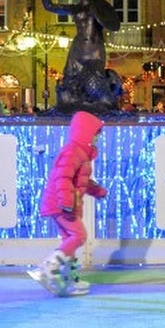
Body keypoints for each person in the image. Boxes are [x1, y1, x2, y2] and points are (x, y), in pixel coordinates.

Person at [31, 111, 108, 296]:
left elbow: (80, 180)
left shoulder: (82, 153)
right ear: (87, 132)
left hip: (66, 202)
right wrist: (66, 202)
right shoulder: (73, 150)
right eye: (96, 133)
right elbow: (62, 178)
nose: (98, 137)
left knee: (70, 240)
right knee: (79, 236)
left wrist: (97, 191)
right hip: (61, 203)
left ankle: (68, 278)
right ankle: (49, 266)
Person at [39, 0, 123, 112]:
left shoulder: (96, 5)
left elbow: (111, 22)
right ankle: (70, 107)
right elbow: (49, 6)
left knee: (95, 82)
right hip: (77, 50)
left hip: (94, 51)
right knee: (69, 84)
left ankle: (101, 104)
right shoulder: (75, 8)